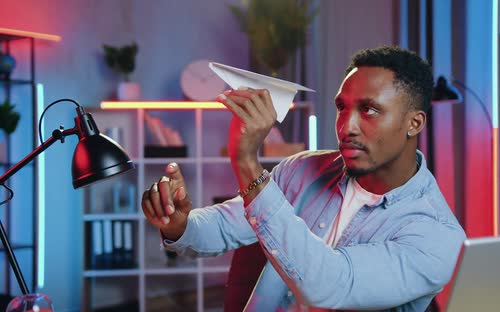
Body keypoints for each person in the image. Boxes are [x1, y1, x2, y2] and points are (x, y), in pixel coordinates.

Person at [141, 45, 466, 311]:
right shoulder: (301, 169)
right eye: (342, 108)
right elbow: (224, 227)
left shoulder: (437, 235)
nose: (346, 127)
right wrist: (179, 223)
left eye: (369, 110)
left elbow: (330, 286)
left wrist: (247, 163)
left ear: (415, 123)